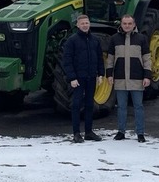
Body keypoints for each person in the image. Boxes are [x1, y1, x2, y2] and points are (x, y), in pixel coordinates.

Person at [106, 14, 152, 143]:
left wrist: (147, 76)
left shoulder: (141, 39)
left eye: (129, 23)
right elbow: (110, 59)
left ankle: (140, 133)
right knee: (121, 107)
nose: (127, 26)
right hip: (120, 79)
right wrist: (109, 75)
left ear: (134, 24)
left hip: (137, 78)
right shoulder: (114, 39)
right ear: (121, 24)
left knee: (138, 106)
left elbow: (147, 59)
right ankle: (121, 132)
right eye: (125, 23)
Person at [61, 14, 105, 143]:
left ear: (89, 24)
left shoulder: (95, 40)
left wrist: (100, 74)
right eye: (82, 23)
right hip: (78, 79)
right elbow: (67, 61)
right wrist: (72, 78)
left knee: (90, 105)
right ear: (78, 25)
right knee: (76, 105)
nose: (85, 25)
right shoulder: (72, 41)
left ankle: (89, 132)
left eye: (87, 23)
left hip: (91, 77)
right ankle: (76, 133)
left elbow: (99, 59)